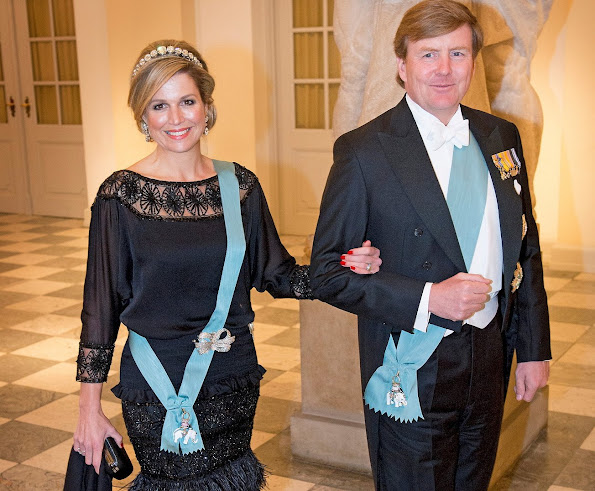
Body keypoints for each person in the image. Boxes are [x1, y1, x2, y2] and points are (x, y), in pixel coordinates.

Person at [71, 39, 382, 490]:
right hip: (156, 375)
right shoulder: (120, 196)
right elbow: (99, 309)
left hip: (231, 373)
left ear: (207, 107)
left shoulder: (240, 187)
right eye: (160, 105)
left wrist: (342, 268)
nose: (176, 119)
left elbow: (277, 275)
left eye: (187, 102)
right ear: (143, 115)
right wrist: (89, 409)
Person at [310, 1, 551, 490]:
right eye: (428, 55)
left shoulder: (500, 135)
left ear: (473, 62)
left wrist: (533, 348)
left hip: (488, 354)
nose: (444, 69)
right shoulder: (363, 151)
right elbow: (326, 273)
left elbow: (525, 248)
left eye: (457, 53)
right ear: (401, 66)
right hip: (410, 360)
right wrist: (428, 298)